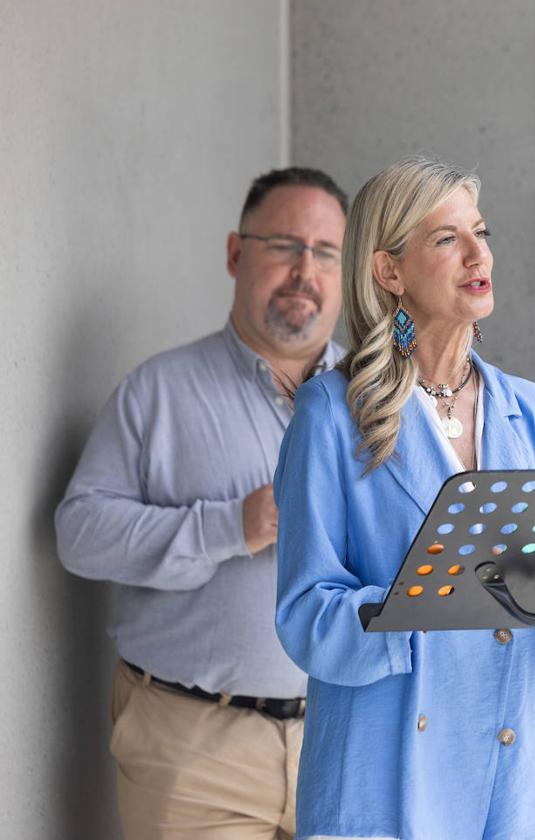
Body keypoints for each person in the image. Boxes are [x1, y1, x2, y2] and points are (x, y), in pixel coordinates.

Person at [272, 158, 535, 840]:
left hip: (519, 790)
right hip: (386, 782)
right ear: (389, 271)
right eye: (446, 239)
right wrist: (424, 602)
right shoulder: (330, 414)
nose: (476, 253)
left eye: (481, 232)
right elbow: (304, 614)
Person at [55, 167, 348, 838]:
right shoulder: (157, 392)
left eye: (325, 252)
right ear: (235, 253)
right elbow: (79, 533)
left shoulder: (377, 405)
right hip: (196, 752)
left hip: (346, 743)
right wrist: (231, 527)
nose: (306, 270)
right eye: (284, 245)